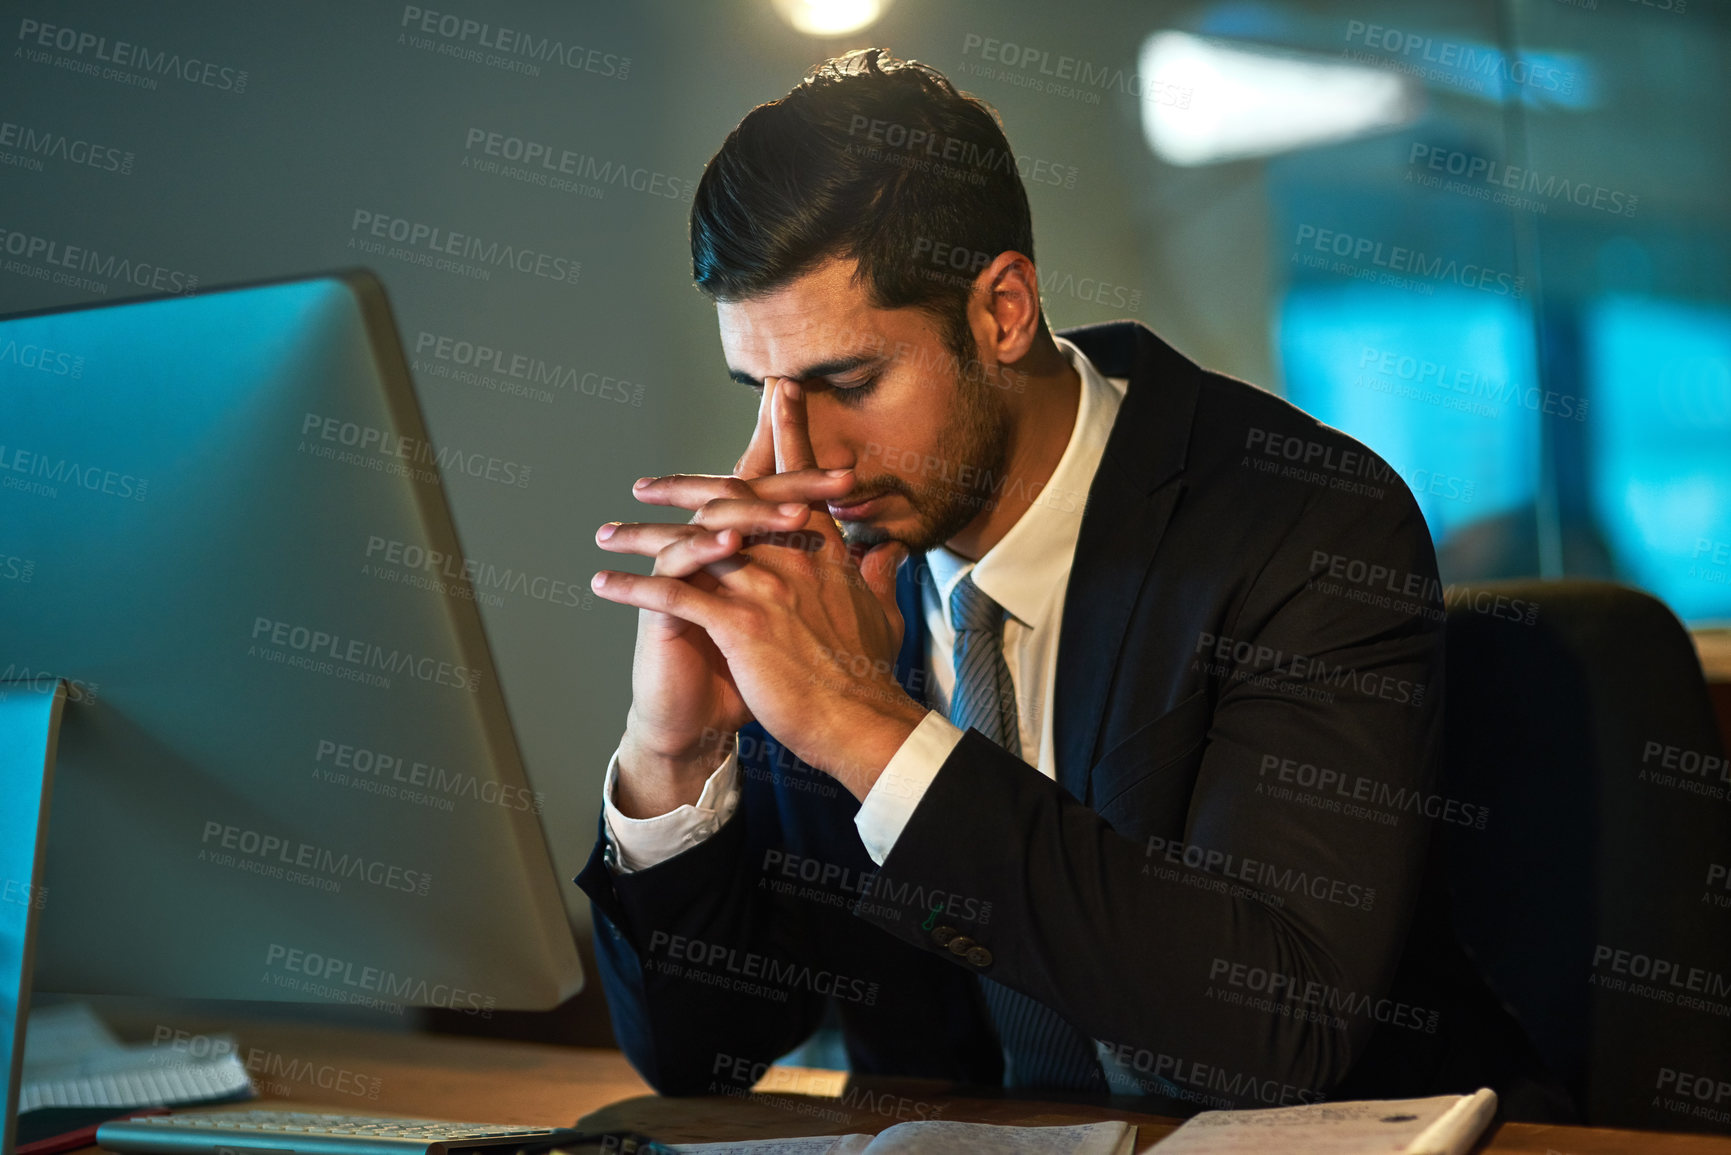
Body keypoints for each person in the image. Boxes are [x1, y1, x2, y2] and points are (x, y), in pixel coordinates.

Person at [577, 47, 1569, 1117]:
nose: (796, 456)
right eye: (761, 392)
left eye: (848, 381)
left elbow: (1274, 1035)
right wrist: (671, 755)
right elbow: (699, 1054)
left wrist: (866, 727)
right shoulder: (828, 559)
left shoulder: (1307, 521)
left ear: (1003, 309)